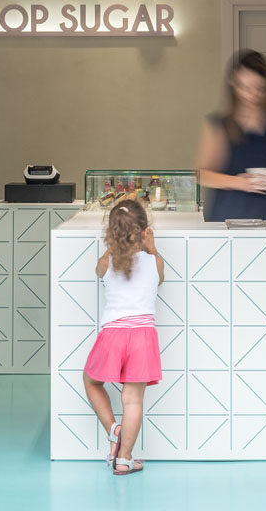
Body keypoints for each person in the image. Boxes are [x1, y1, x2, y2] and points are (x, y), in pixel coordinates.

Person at [83, 199, 164, 475]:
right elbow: (160, 277)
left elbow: (100, 268)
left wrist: (112, 248)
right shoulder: (155, 263)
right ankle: (125, 458)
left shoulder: (105, 263)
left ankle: (113, 429)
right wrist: (152, 248)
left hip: (113, 335)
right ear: (144, 231)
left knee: (91, 382)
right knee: (132, 400)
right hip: (142, 336)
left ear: (111, 234)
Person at [196, 49, 266, 221]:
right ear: (234, 85)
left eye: (259, 88)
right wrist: (241, 183)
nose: (253, 95)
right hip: (229, 217)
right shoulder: (220, 124)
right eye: (246, 88)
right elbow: (201, 175)